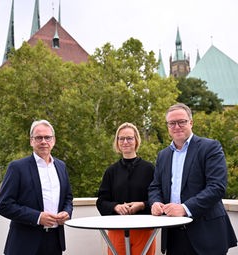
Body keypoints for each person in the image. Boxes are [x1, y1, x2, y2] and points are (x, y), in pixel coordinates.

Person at [148, 103, 237, 255]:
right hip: (174, 235)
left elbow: (217, 187)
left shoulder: (210, 147)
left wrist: (184, 208)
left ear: (191, 122)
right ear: (168, 126)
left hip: (207, 234)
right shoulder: (163, 155)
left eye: (181, 121)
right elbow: (155, 186)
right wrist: (155, 202)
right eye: (172, 123)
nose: (177, 126)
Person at [0, 119, 73, 255]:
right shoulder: (17, 167)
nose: (44, 141)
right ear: (31, 141)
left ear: (54, 140)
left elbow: (68, 198)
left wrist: (67, 212)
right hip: (24, 244)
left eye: (47, 137)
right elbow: (4, 205)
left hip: (55, 241)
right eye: (39, 138)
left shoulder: (61, 166)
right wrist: (37, 217)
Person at [96, 122, 156, 255]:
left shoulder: (149, 169)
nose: (125, 141)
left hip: (144, 230)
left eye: (129, 138)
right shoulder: (111, 171)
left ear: (136, 140)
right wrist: (115, 207)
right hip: (117, 230)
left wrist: (141, 205)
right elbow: (101, 201)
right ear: (117, 142)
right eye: (121, 138)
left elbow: (158, 199)